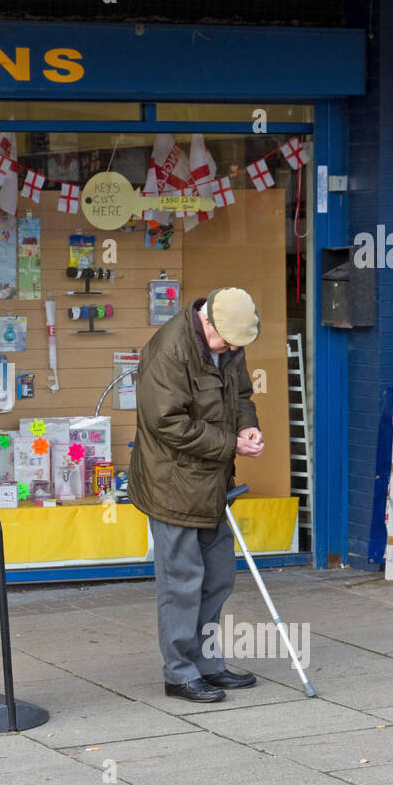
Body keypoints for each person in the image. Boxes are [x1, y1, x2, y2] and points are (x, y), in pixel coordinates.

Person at [129, 287, 265, 703]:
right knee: (181, 581)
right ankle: (180, 673)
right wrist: (230, 444)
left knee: (218, 576)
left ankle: (208, 663)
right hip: (173, 484)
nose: (231, 349)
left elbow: (240, 395)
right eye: (225, 341)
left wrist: (246, 425)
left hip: (212, 481)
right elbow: (167, 423)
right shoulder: (168, 351)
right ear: (207, 322)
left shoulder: (229, 341)